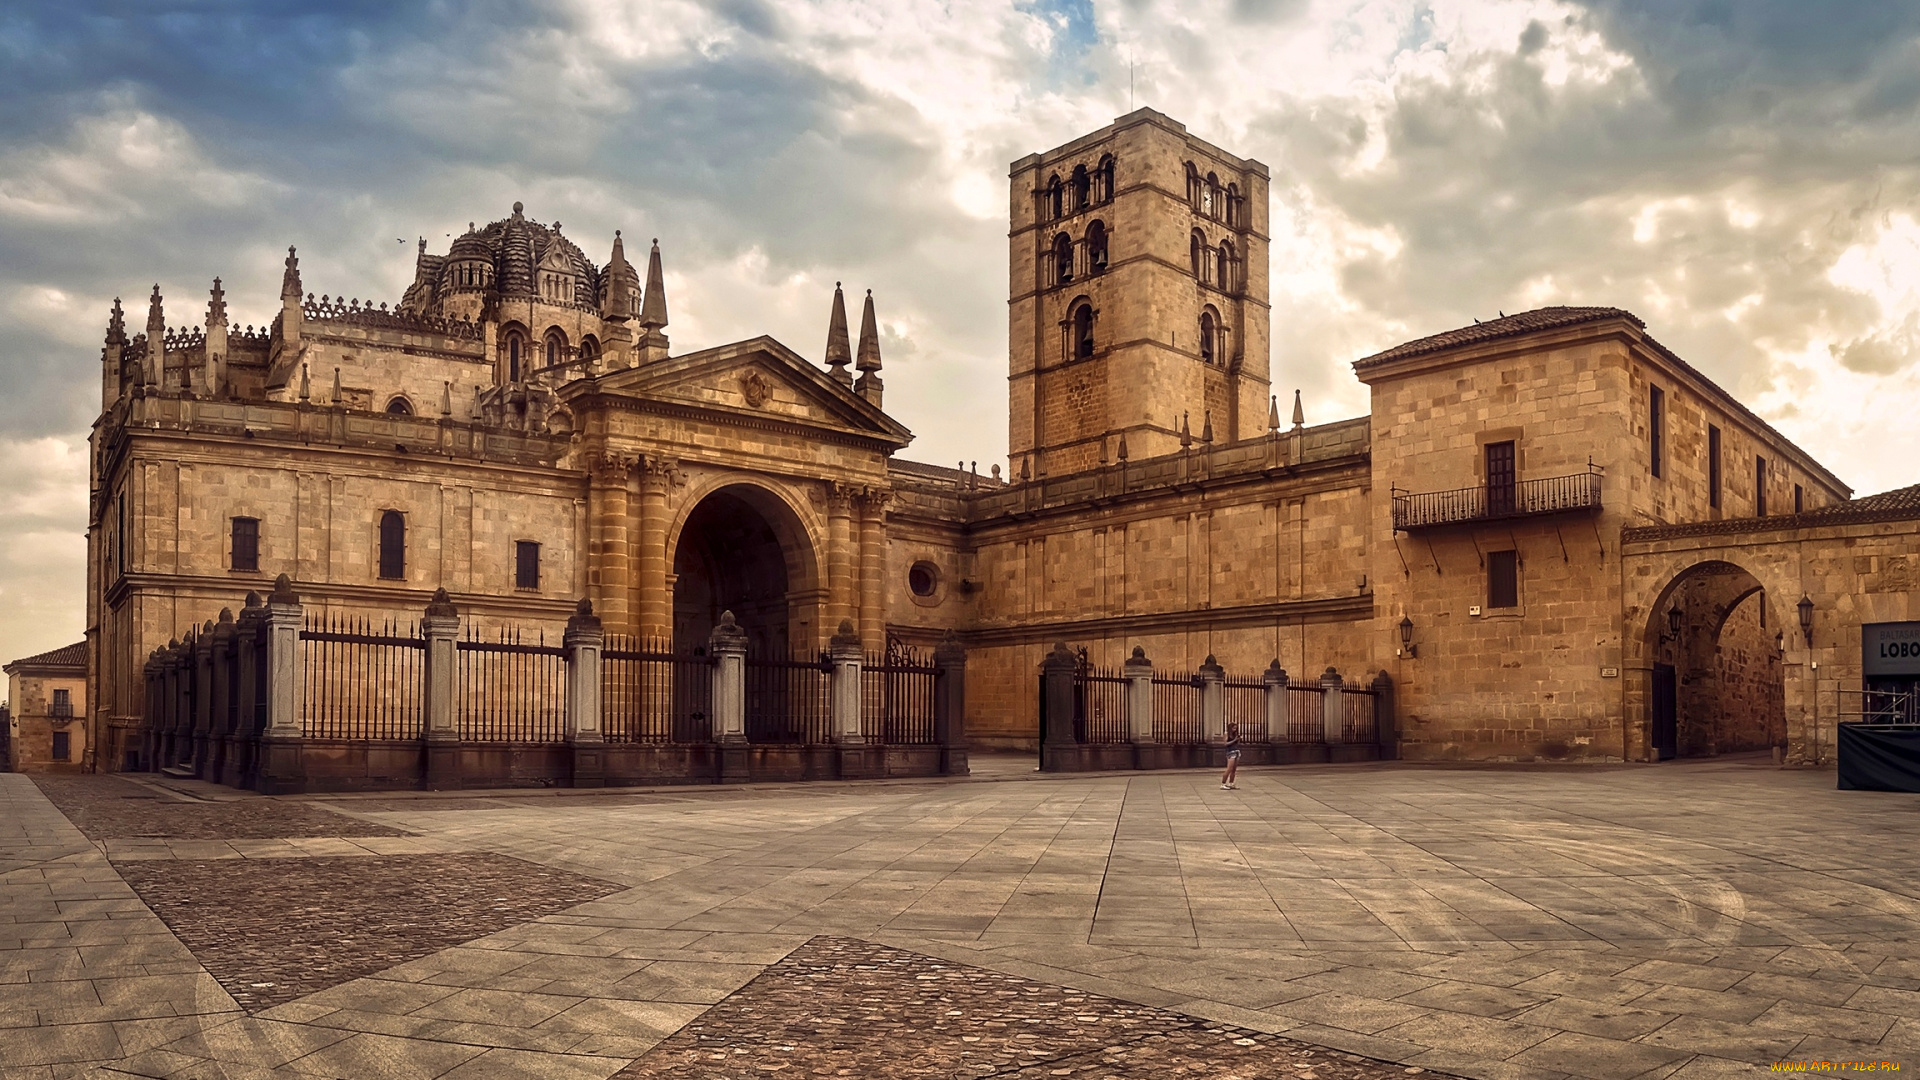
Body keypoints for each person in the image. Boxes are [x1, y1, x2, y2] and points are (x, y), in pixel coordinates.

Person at [1220, 721, 1241, 789]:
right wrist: (1234, 740)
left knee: (1234, 769)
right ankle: (1223, 783)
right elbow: (1225, 744)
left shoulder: (1235, 734)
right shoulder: (1226, 734)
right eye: (1233, 728)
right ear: (1230, 728)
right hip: (1230, 752)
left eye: (1236, 728)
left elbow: (1237, 744)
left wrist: (1238, 739)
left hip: (1236, 751)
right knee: (1229, 769)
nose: (1234, 730)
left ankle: (1231, 783)